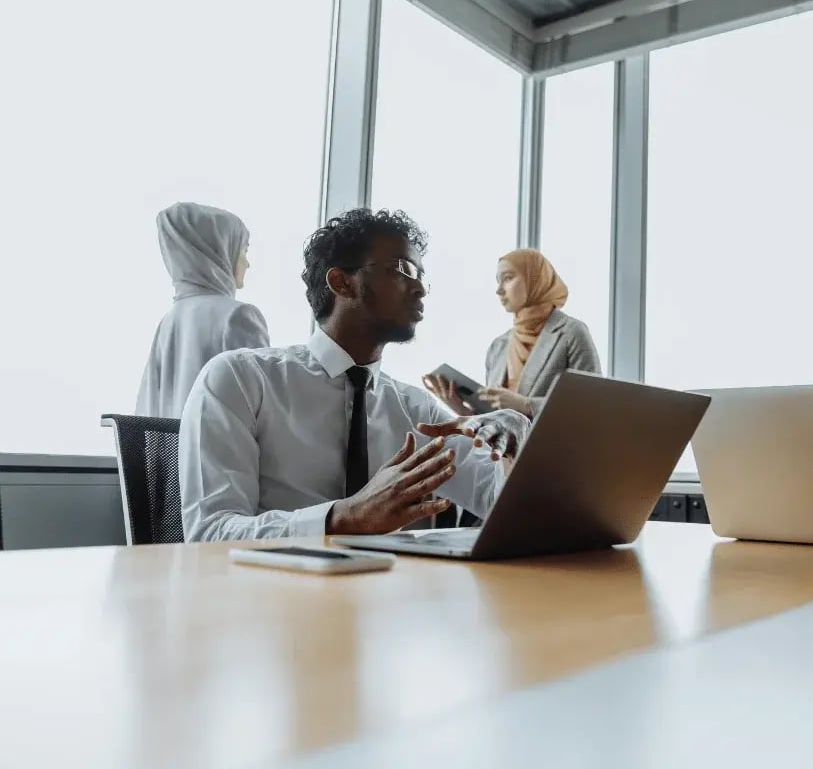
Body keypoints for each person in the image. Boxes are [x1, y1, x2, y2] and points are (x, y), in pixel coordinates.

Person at [179, 208, 531, 542]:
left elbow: (505, 508)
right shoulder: (241, 379)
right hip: (275, 597)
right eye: (403, 269)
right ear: (342, 282)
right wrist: (344, 518)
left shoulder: (418, 411)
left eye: (422, 276)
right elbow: (211, 532)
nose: (420, 287)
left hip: (394, 597)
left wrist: (516, 450)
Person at [423, 249, 600, 419]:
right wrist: (463, 411)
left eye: (507, 278)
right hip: (506, 450)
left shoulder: (571, 333)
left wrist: (527, 405)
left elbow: (591, 406)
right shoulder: (498, 346)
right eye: (498, 281)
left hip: (555, 449)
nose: (499, 290)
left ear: (535, 279)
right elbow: (498, 422)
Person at [135, 202, 269, 418]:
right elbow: (260, 409)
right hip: (222, 451)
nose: (248, 262)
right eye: (243, 249)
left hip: (175, 452)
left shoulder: (171, 319)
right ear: (220, 250)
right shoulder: (238, 316)